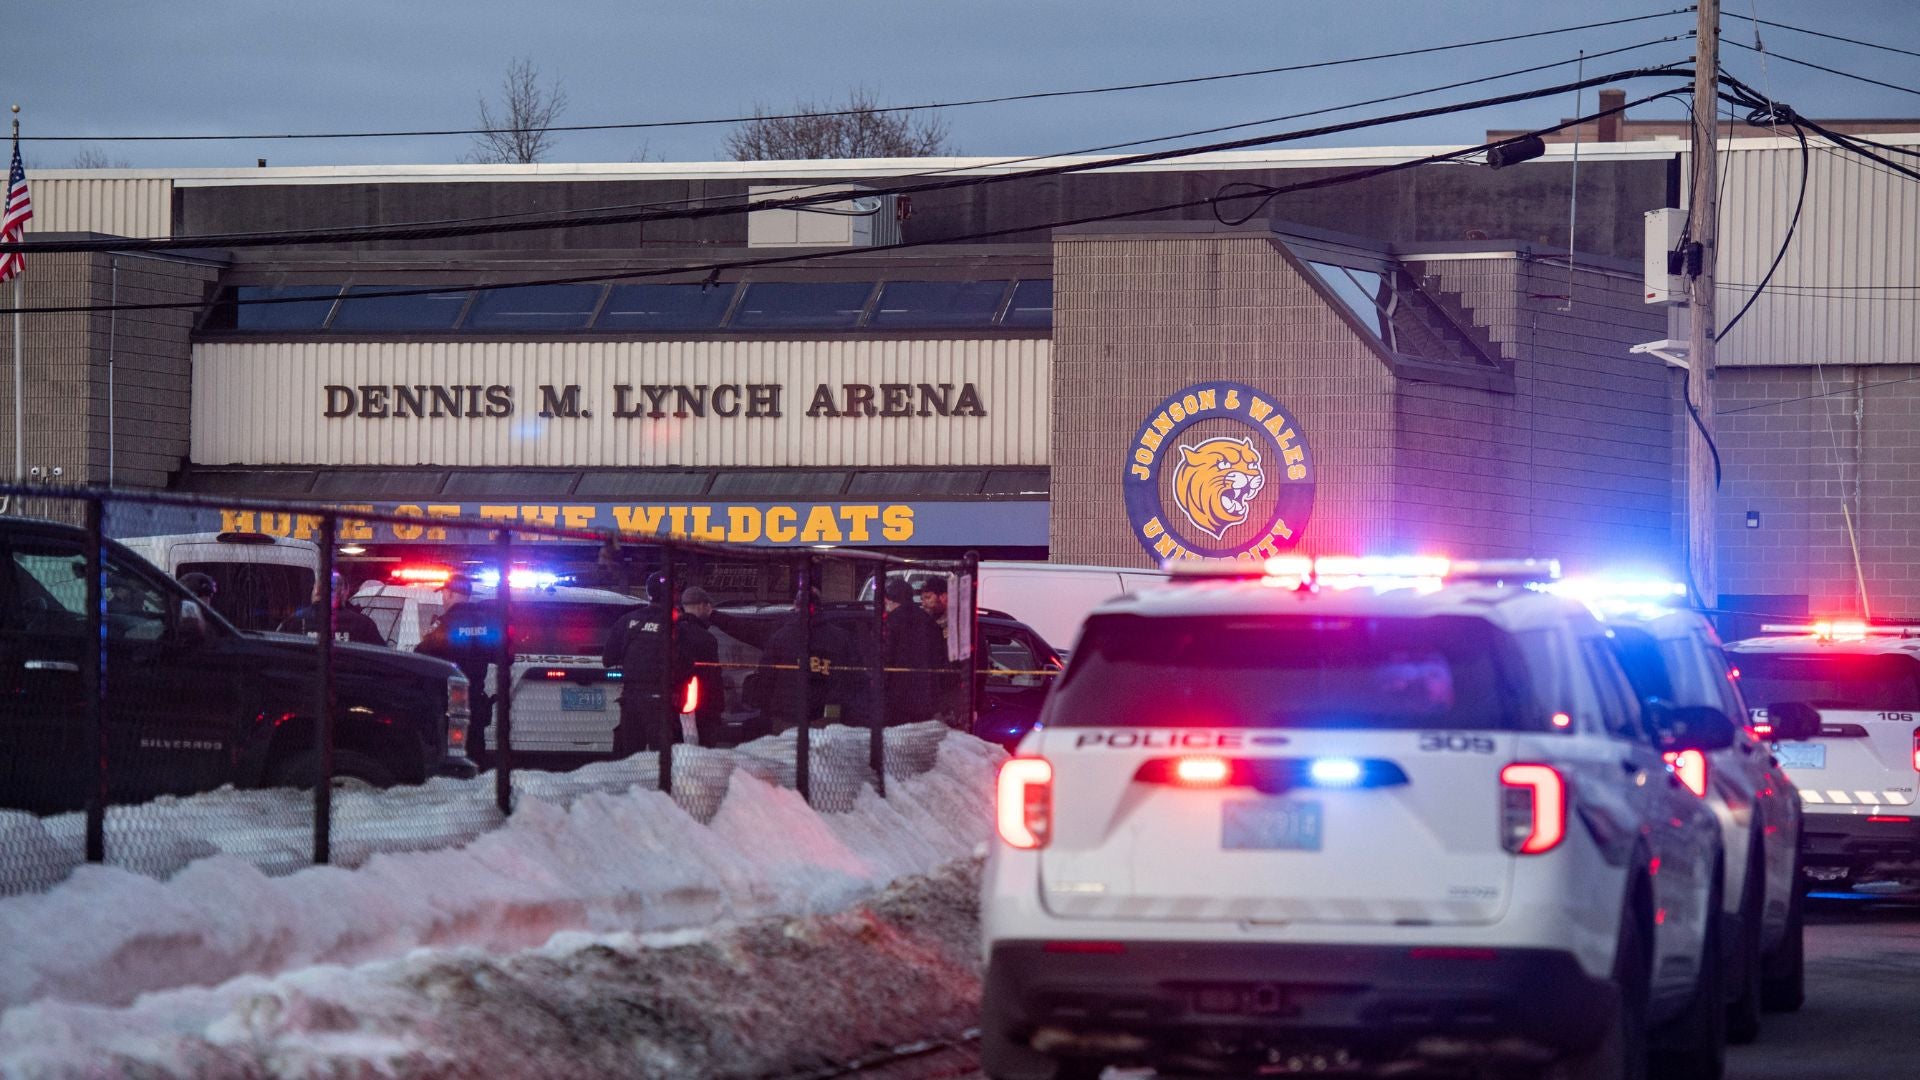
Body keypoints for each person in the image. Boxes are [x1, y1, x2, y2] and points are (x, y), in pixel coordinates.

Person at [601, 572, 687, 757]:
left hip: (631, 699)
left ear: (649, 593)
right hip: (662, 700)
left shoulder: (626, 621)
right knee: (665, 759)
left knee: (631, 758)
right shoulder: (676, 625)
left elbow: (608, 659)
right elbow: (685, 664)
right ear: (673, 595)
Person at [416, 572, 496, 761]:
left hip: (449, 703)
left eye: (443, 594)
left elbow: (421, 656)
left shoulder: (444, 624)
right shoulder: (487, 623)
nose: (443, 599)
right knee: (475, 756)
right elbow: (505, 656)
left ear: (450, 593)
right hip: (475, 703)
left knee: (451, 758)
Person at [881, 578, 943, 726]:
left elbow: (885, 657)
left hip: (897, 698)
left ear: (888, 599)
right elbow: (939, 658)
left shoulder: (891, 622)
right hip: (925, 698)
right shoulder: (928, 621)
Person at [676, 586, 728, 747]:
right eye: (708, 606)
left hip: (673, 704)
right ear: (701, 605)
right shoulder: (706, 638)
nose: (710, 610)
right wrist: (718, 708)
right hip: (702, 707)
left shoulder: (672, 632)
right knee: (702, 751)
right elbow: (712, 677)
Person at [278, 571, 384, 646]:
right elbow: (380, 658)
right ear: (344, 593)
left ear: (316, 591)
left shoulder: (294, 621)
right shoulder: (363, 625)